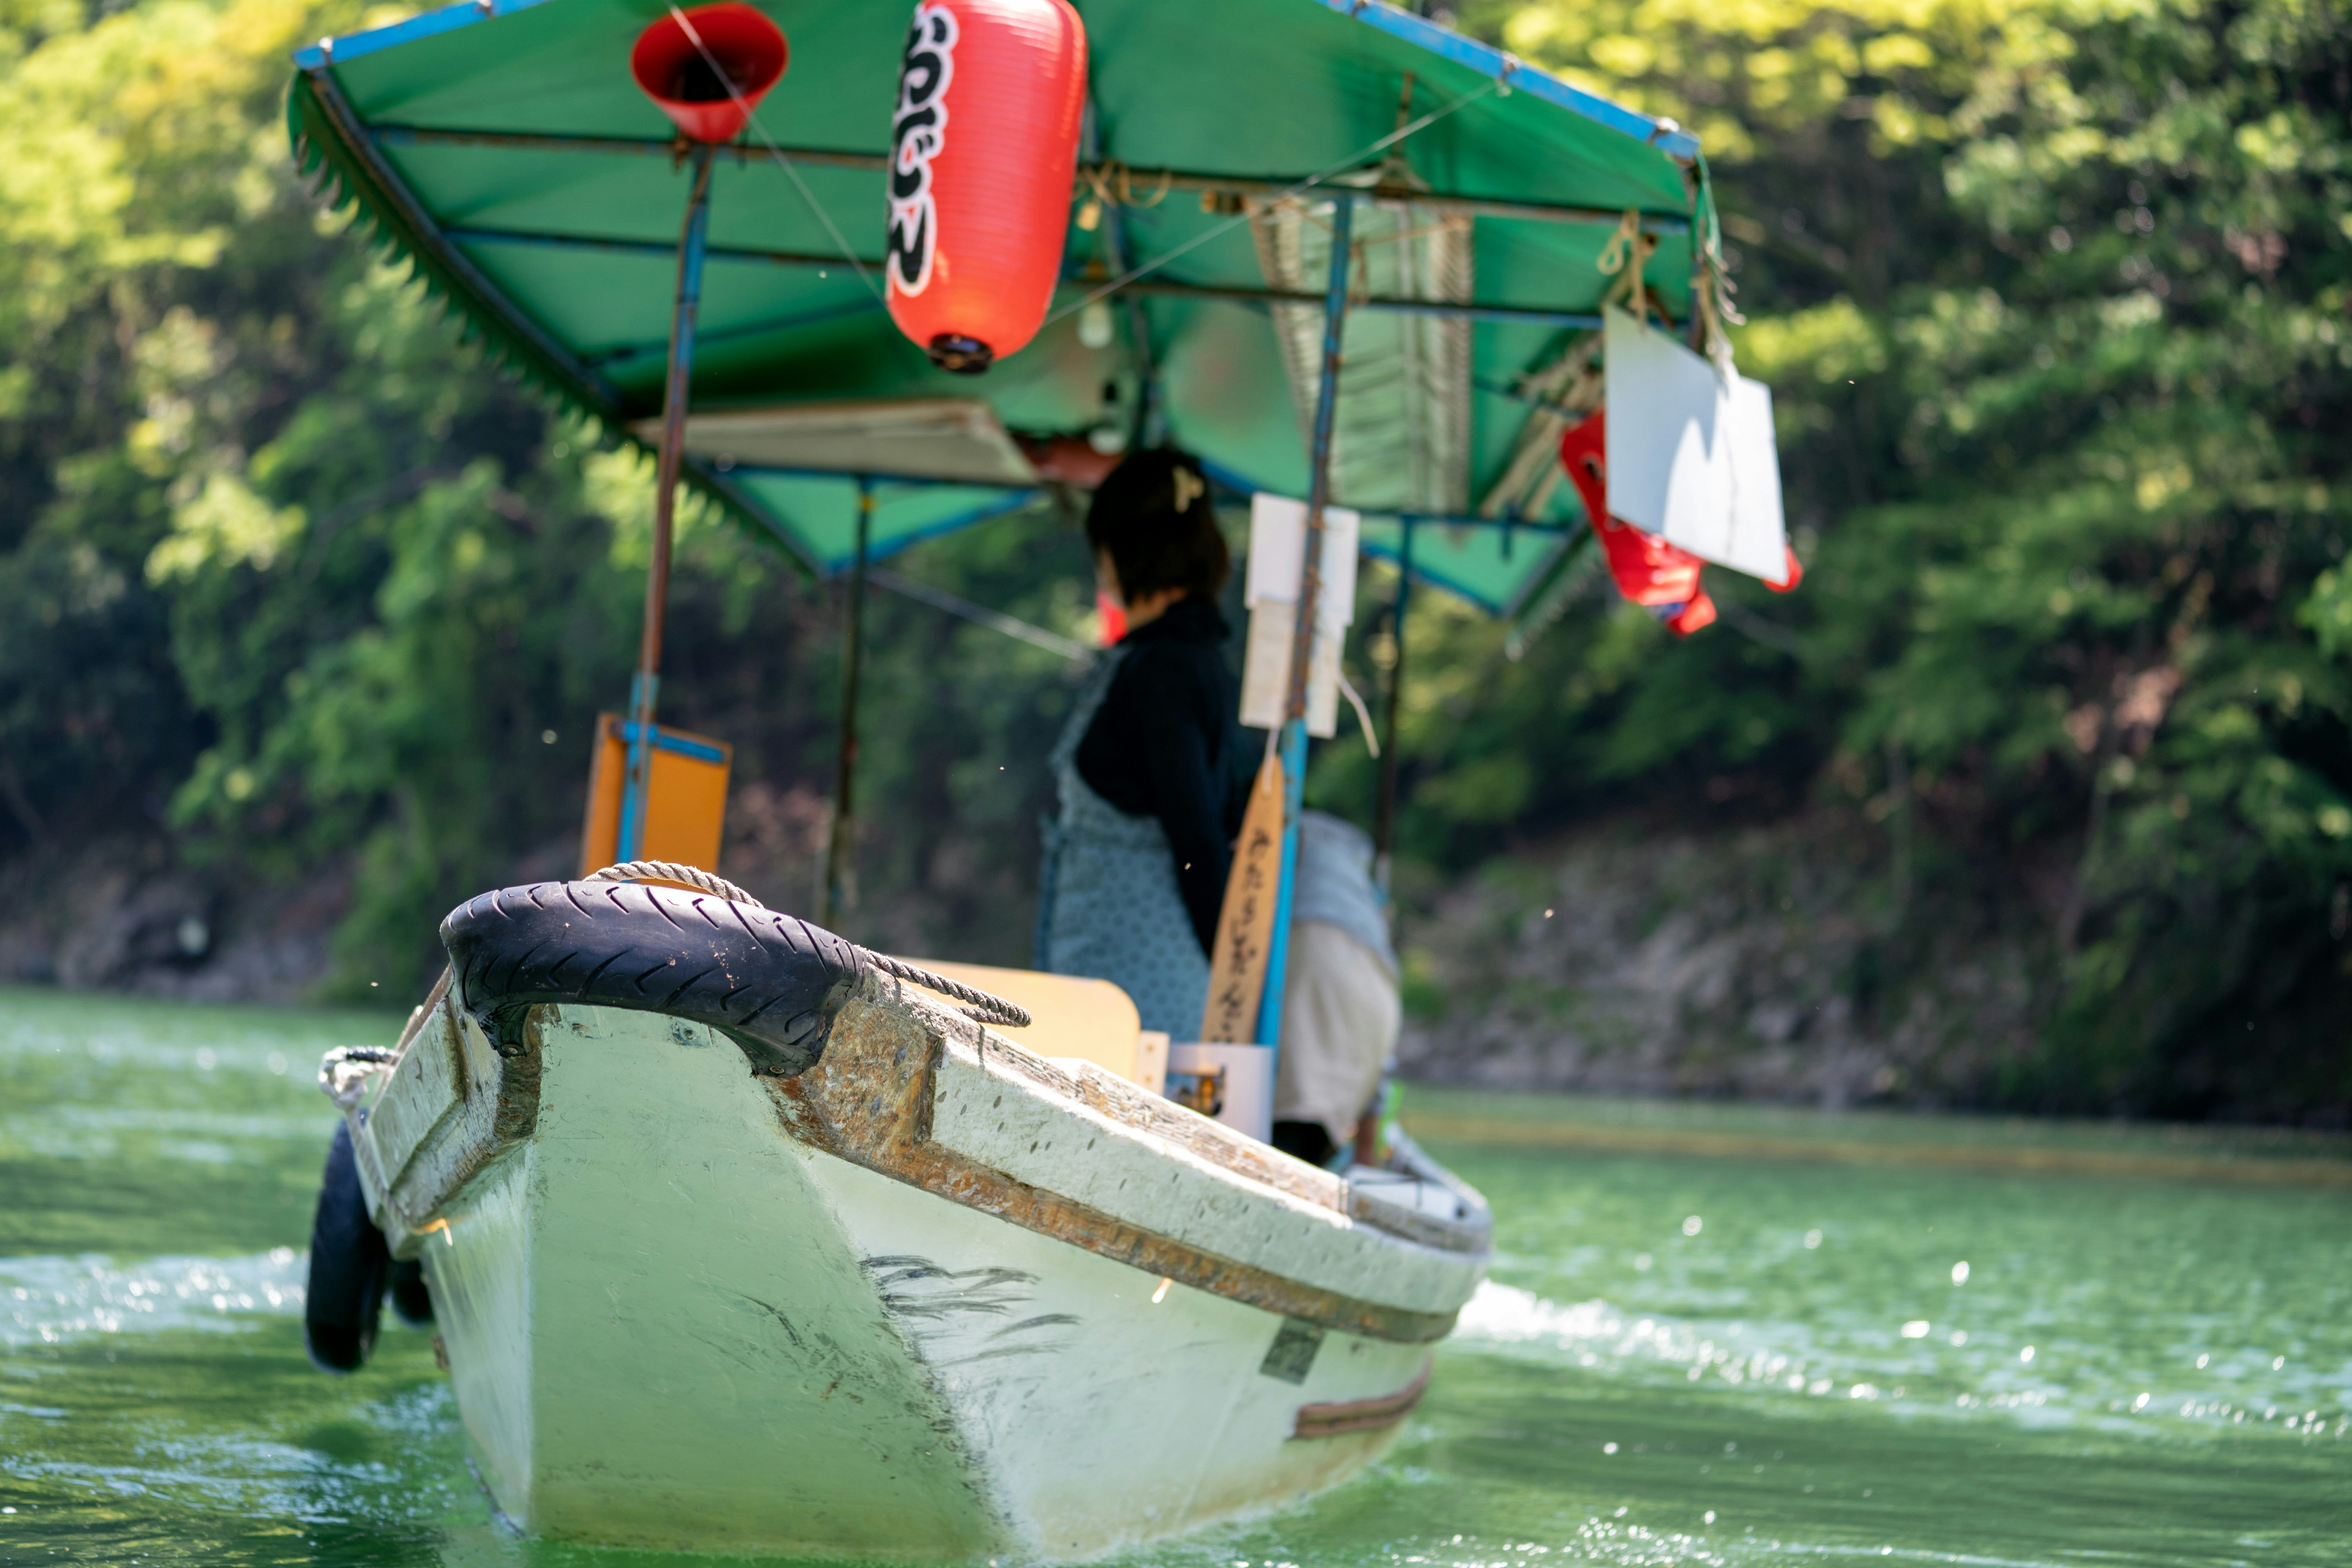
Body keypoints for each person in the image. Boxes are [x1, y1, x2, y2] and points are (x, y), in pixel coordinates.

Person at [1035, 449, 1242, 1038]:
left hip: (1140, 998)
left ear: (1122, 552)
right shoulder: (1189, 657)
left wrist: (1231, 982)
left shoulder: (1164, 669)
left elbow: (1196, 836)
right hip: (1123, 982)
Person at [1270, 809, 1400, 1167]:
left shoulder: (1284, 830)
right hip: (1378, 985)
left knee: (1294, 1112)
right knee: (1309, 1114)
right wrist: (1365, 1166)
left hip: (1310, 951)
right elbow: (1382, 1077)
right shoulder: (1364, 892)